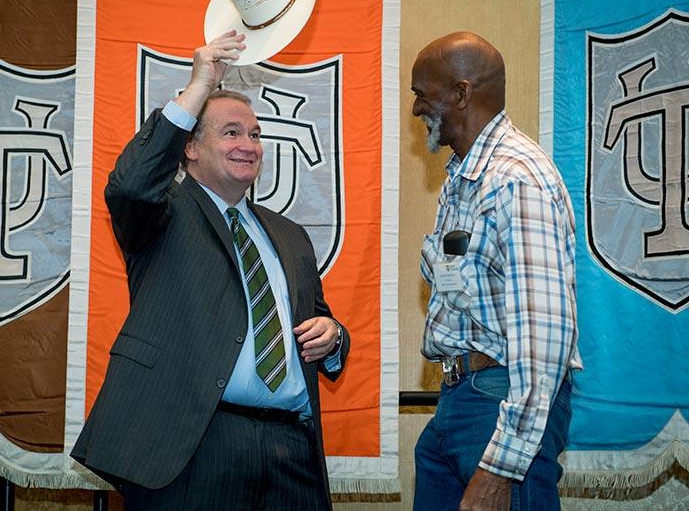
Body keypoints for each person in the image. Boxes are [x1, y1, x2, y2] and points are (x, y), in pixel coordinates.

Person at [71, 31, 349, 510]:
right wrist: (198, 88)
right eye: (232, 132)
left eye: (256, 134)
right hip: (194, 446)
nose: (249, 145)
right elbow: (132, 185)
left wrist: (333, 334)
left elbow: (318, 318)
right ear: (190, 149)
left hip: (292, 452)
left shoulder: (290, 235)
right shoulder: (162, 212)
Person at [410, 32, 582, 510]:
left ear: (462, 93)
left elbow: (545, 337)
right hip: (461, 399)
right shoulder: (464, 179)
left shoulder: (515, 179)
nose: (416, 109)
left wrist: (502, 467)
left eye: (422, 93)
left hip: (498, 405)